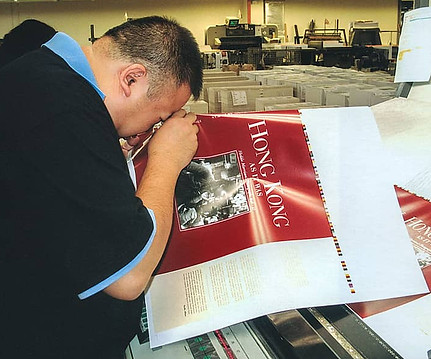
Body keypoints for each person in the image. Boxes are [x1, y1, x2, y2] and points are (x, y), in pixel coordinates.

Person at [0, 16, 202, 359]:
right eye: (158, 118)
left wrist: (102, 148)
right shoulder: (64, 108)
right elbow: (127, 278)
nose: (151, 130)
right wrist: (166, 158)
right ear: (132, 79)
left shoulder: (43, 76)